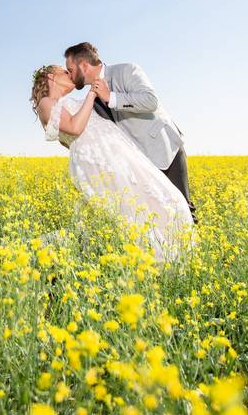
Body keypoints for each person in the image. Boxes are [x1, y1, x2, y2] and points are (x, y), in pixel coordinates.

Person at [31, 65, 194, 261]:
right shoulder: (46, 103)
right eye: (65, 72)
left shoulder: (70, 102)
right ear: (51, 77)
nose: (71, 76)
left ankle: (170, 257)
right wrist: (92, 94)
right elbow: (74, 129)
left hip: (118, 159)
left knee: (157, 203)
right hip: (105, 165)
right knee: (126, 214)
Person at [64, 42, 197, 223]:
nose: (69, 75)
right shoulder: (90, 98)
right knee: (158, 216)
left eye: (70, 69)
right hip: (139, 163)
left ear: (84, 66)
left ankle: (193, 250)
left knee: (183, 209)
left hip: (163, 149)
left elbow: (151, 101)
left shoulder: (127, 70)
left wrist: (111, 97)